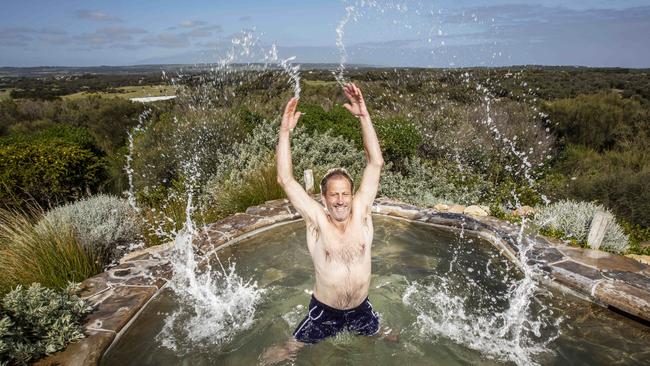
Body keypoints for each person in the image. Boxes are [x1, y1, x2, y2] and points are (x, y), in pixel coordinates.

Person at [262, 82, 384, 364]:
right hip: (324, 313)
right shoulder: (317, 220)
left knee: (391, 341)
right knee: (285, 353)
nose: (340, 201)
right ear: (324, 199)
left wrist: (364, 116)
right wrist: (284, 133)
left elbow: (375, 162)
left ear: (352, 196)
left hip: (361, 309)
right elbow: (286, 180)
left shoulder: (362, 213)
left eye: (345, 194)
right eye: (334, 195)